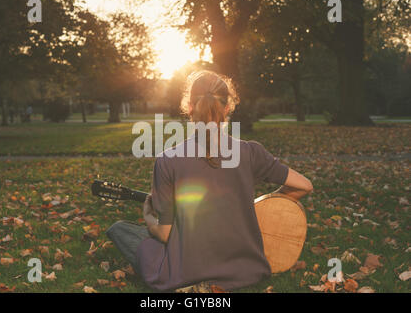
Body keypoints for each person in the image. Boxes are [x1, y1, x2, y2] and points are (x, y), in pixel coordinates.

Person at [106, 70, 313, 291]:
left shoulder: (167, 160)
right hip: (246, 270)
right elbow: (304, 185)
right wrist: (256, 212)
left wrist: (148, 217)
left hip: (187, 271)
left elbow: (165, 234)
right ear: (227, 107)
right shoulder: (251, 151)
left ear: (189, 107)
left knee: (121, 230)